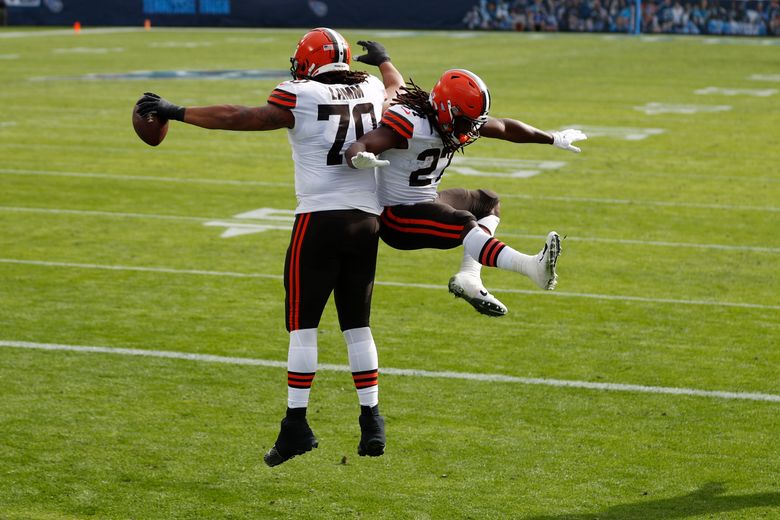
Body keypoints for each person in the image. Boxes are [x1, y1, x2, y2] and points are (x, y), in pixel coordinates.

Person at [136, 28, 404, 466]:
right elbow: (396, 88)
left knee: (303, 326)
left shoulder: (300, 94)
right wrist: (386, 58)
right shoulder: (373, 86)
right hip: (366, 221)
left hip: (319, 219)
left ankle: (296, 425)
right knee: (357, 324)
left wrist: (177, 111)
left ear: (308, 61)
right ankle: (371, 419)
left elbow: (243, 116)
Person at [345, 69, 586, 317]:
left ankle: (469, 277)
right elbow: (361, 144)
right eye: (465, 122)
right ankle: (530, 267)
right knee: (463, 222)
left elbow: (504, 127)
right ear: (445, 108)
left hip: (426, 200)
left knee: (487, 201)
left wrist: (553, 138)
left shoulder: (456, 118)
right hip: (397, 217)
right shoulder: (410, 122)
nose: (470, 130)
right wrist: (358, 157)